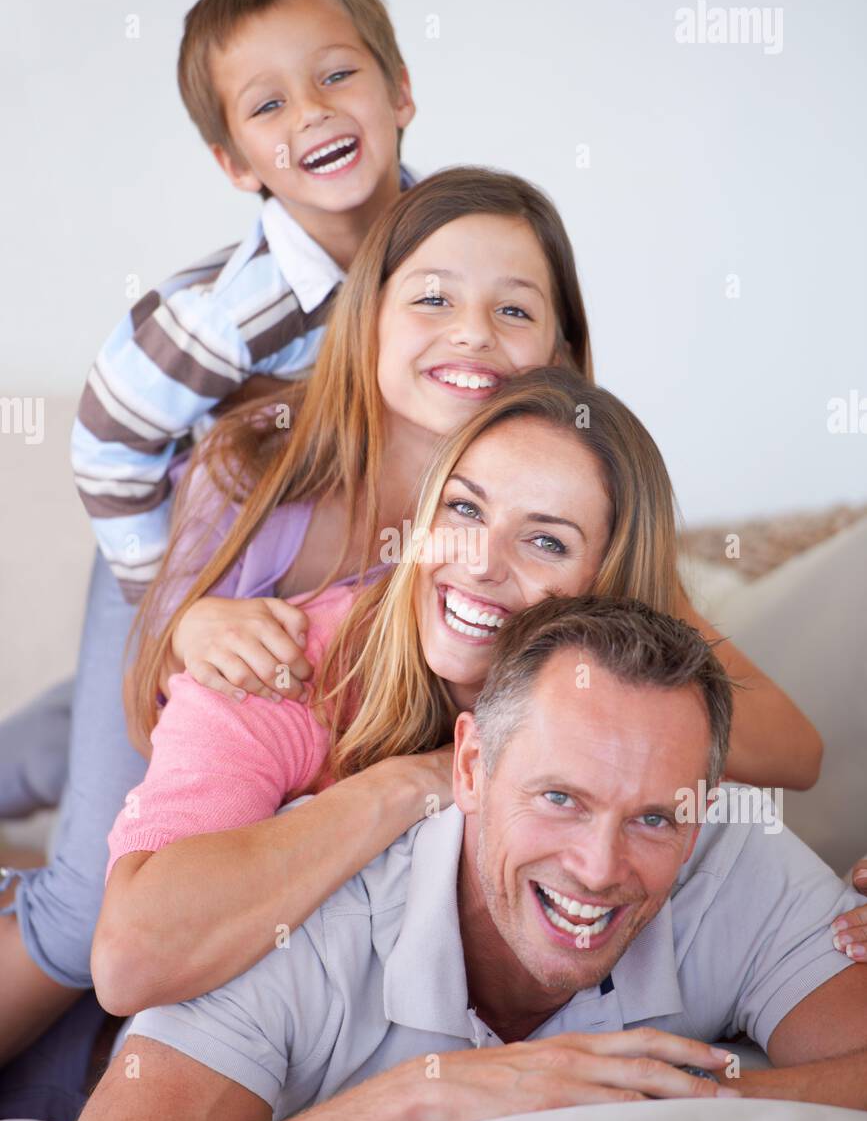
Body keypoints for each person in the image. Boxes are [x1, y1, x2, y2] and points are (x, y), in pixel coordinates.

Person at [48, 596, 867, 1121]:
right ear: (469, 768)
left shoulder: (732, 862)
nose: (596, 866)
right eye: (559, 799)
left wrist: (645, 1102)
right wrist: (419, 1099)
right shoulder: (296, 913)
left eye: (653, 818)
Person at [91, 367, 829, 1017]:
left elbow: (796, 758)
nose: (478, 564)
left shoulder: (633, 724)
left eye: (546, 541)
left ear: (606, 587)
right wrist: (406, 783)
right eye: (465, 509)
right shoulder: (282, 667)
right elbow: (128, 963)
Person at [0, 0, 423, 1064]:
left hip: (302, 576)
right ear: (237, 162)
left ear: (400, 92)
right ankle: (65, 755)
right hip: (166, 567)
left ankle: (51, 739)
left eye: (338, 74)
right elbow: (106, 452)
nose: (314, 113)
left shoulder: (453, 259)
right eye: (268, 103)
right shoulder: (221, 320)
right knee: (87, 901)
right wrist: (174, 616)